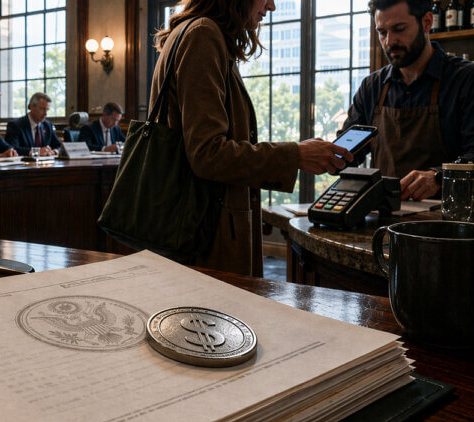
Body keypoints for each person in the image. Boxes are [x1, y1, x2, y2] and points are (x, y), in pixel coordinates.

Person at [150, 0, 352, 276]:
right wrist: (296, 155)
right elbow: (207, 154)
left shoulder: (195, 32)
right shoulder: (202, 34)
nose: (271, 6)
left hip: (193, 228)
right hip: (206, 236)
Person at [343, 0, 474, 200]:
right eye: (382, 32)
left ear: (427, 22)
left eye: (399, 29)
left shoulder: (465, 80)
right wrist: (328, 155)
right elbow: (348, 154)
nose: (390, 41)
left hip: (447, 222)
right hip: (385, 217)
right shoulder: (372, 87)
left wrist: (438, 176)